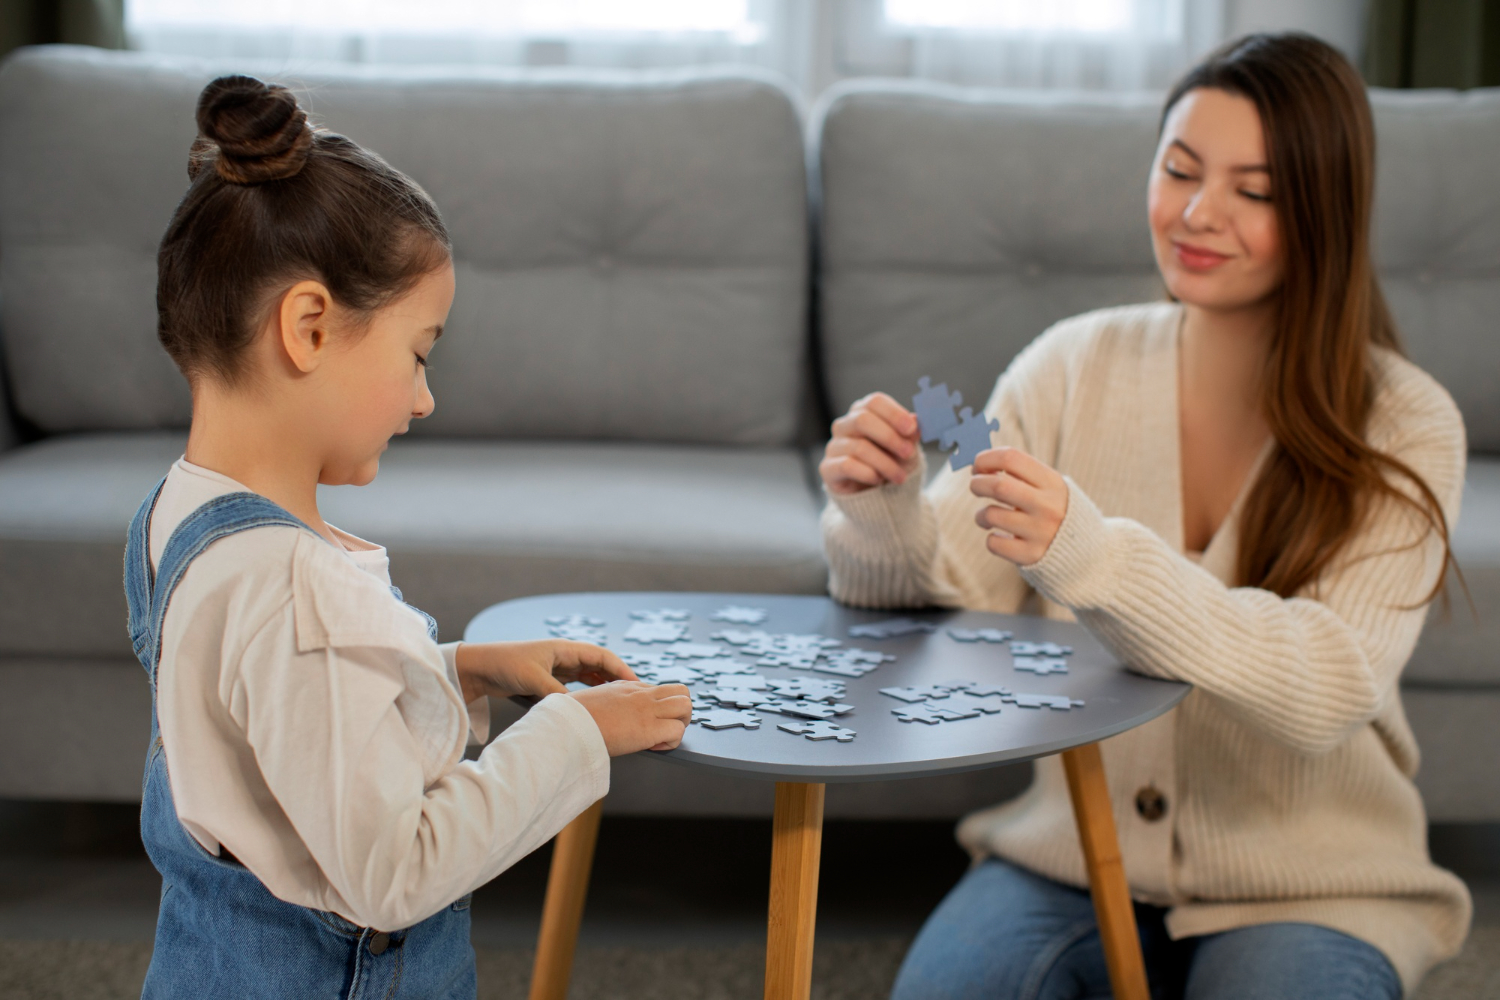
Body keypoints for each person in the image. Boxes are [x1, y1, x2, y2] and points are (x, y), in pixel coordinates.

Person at [819, 33, 1470, 1000]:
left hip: (1314, 883)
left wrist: (1096, 561)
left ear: (1325, 209)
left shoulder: (1407, 420)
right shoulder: (1069, 364)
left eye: (1255, 191)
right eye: (1179, 171)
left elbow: (1336, 683)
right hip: (1073, 854)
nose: (1200, 215)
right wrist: (881, 515)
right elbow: (934, 606)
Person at [129, 75, 692, 999]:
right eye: (419, 352)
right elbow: (392, 874)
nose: (425, 397)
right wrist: (573, 736)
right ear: (309, 327)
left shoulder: (178, 515)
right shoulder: (297, 587)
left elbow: (277, 734)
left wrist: (456, 667)